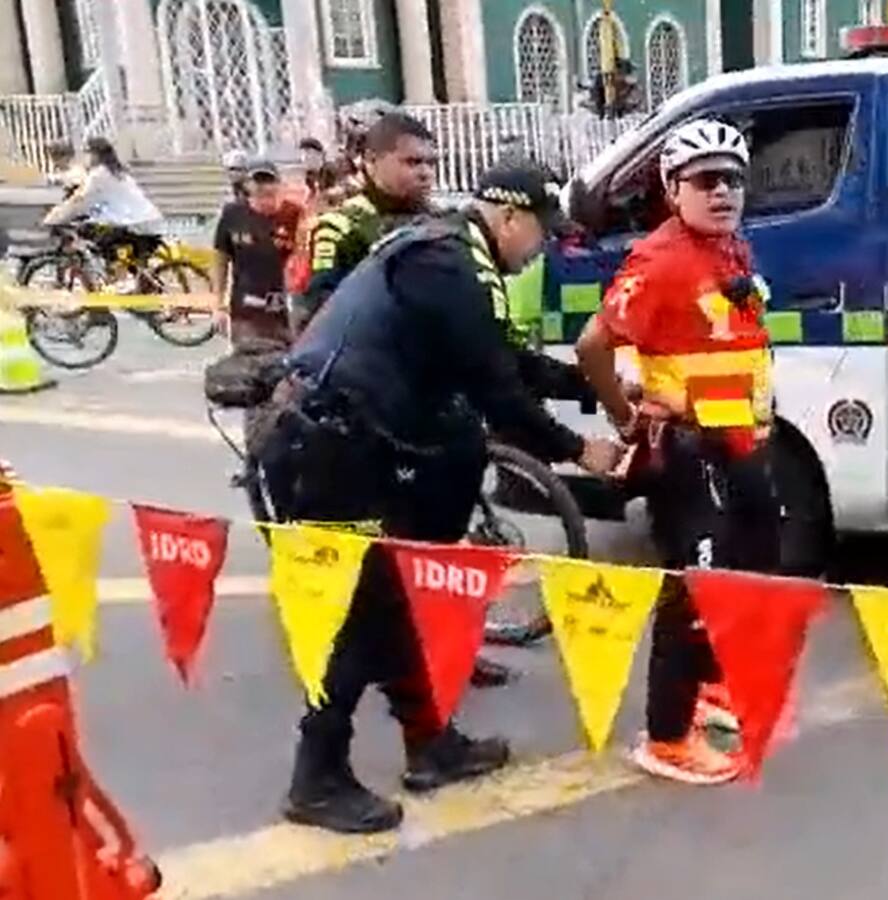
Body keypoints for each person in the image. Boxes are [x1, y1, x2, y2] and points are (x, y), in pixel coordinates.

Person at [256, 160, 623, 834]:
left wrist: (595, 385)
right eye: (541, 233)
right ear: (510, 219)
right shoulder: (449, 265)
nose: (540, 249)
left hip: (347, 443)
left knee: (392, 603)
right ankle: (316, 777)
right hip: (327, 448)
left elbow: (502, 363)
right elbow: (498, 392)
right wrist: (579, 451)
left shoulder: (452, 256)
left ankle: (431, 744)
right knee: (363, 614)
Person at [576, 119, 779, 785]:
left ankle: (710, 690)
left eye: (734, 179)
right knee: (694, 583)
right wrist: (625, 415)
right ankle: (664, 737)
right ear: (671, 188)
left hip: (738, 437)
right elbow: (592, 346)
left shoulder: (731, 248)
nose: (723, 192)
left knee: (752, 564)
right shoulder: (660, 259)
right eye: (705, 180)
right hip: (687, 449)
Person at [290, 113, 436, 334]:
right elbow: (320, 313)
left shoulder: (443, 223)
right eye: (412, 162)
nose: (425, 173)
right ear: (371, 161)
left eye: (431, 163)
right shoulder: (340, 227)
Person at [211, 160, 304, 350]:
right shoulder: (233, 214)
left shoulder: (294, 215)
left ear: (279, 185)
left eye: (269, 181)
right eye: (258, 181)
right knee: (250, 367)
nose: (264, 187)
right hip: (246, 311)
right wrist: (217, 305)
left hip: (286, 313)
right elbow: (220, 259)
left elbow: (304, 260)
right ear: (247, 185)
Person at [43, 137, 163, 241]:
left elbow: (79, 201)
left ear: (95, 154)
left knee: (88, 234)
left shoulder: (99, 175)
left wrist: (53, 219)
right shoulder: (117, 172)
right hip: (149, 220)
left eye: (86, 153)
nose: (84, 157)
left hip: (134, 225)